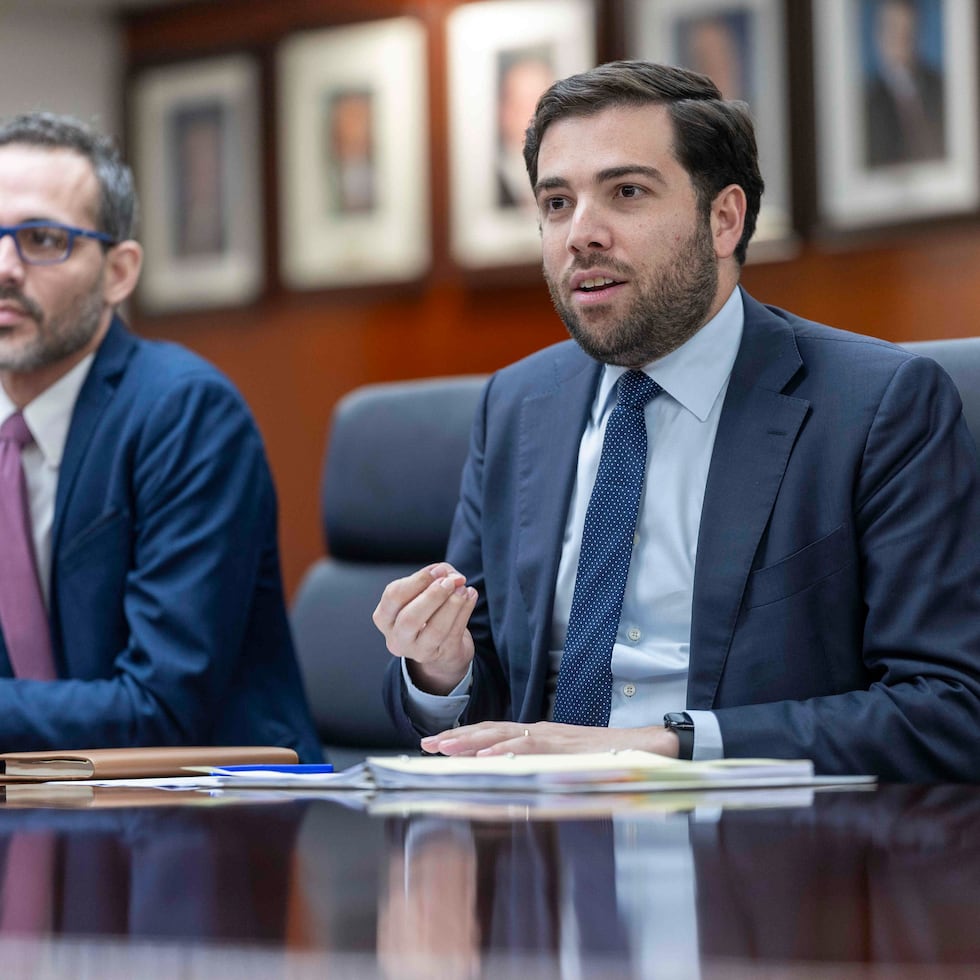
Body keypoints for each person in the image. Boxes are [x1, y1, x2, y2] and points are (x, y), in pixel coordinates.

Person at [373, 61, 980, 782]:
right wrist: (442, 671)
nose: (581, 235)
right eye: (558, 202)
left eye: (626, 192)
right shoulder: (517, 405)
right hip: (536, 850)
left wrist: (667, 745)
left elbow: (948, 709)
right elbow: (490, 695)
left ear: (723, 219)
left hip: (763, 860)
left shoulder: (878, 406)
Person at [0, 111, 320, 760]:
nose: (5, 267)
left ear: (119, 271)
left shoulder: (183, 413)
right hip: (39, 805)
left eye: (40, 239)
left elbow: (162, 709)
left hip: (212, 822)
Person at [864, 0, 946, 167]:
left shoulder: (941, 86)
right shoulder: (866, 102)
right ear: (879, 36)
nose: (901, 42)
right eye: (894, 31)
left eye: (907, 32)